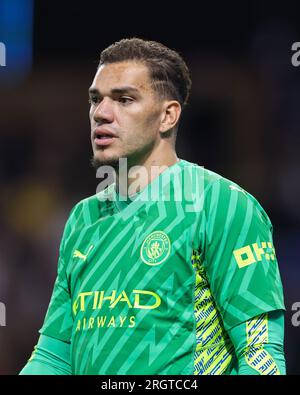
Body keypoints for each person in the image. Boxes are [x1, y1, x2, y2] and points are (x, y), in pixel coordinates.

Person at [20, 38, 286, 375]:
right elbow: (54, 357)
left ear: (168, 116)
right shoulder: (82, 220)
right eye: (95, 100)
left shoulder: (222, 205)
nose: (101, 113)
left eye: (124, 99)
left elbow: (259, 353)